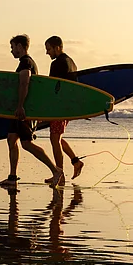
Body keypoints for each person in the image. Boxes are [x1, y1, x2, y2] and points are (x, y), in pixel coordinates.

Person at [0, 35, 63, 189]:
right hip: (18, 110)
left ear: (20, 46)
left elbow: (24, 83)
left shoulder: (26, 62)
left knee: (26, 144)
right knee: (11, 140)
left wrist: (20, 106)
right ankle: (12, 177)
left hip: (23, 111)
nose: (11, 51)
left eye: (13, 47)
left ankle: (56, 171)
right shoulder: (25, 62)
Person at [44, 36, 84, 184]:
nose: (47, 52)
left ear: (58, 47)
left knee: (55, 139)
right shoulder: (71, 62)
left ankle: (59, 174)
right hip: (68, 107)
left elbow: (52, 87)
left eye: (49, 49)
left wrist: (45, 108)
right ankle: (75, 162)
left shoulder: (57, 63)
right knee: (57, 138)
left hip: (59, 108)